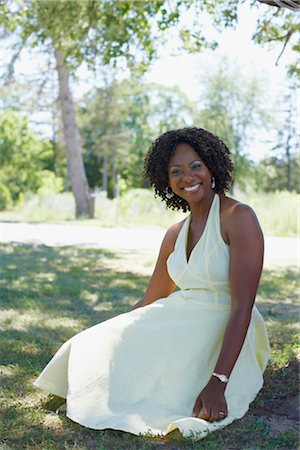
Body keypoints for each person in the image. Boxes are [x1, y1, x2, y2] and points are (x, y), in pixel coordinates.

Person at [34, 127, 270, 439]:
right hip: (180, 314)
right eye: (176, 171)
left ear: (212, 166)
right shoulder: (175, 233)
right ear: (166, 181)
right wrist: (114, 333)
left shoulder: (238, 217)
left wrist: (218, 381)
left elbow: (243, 305)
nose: (188, 176)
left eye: (196, 165)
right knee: (91, 342)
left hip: (225, 321)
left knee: (168, 380)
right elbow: (150, 299)